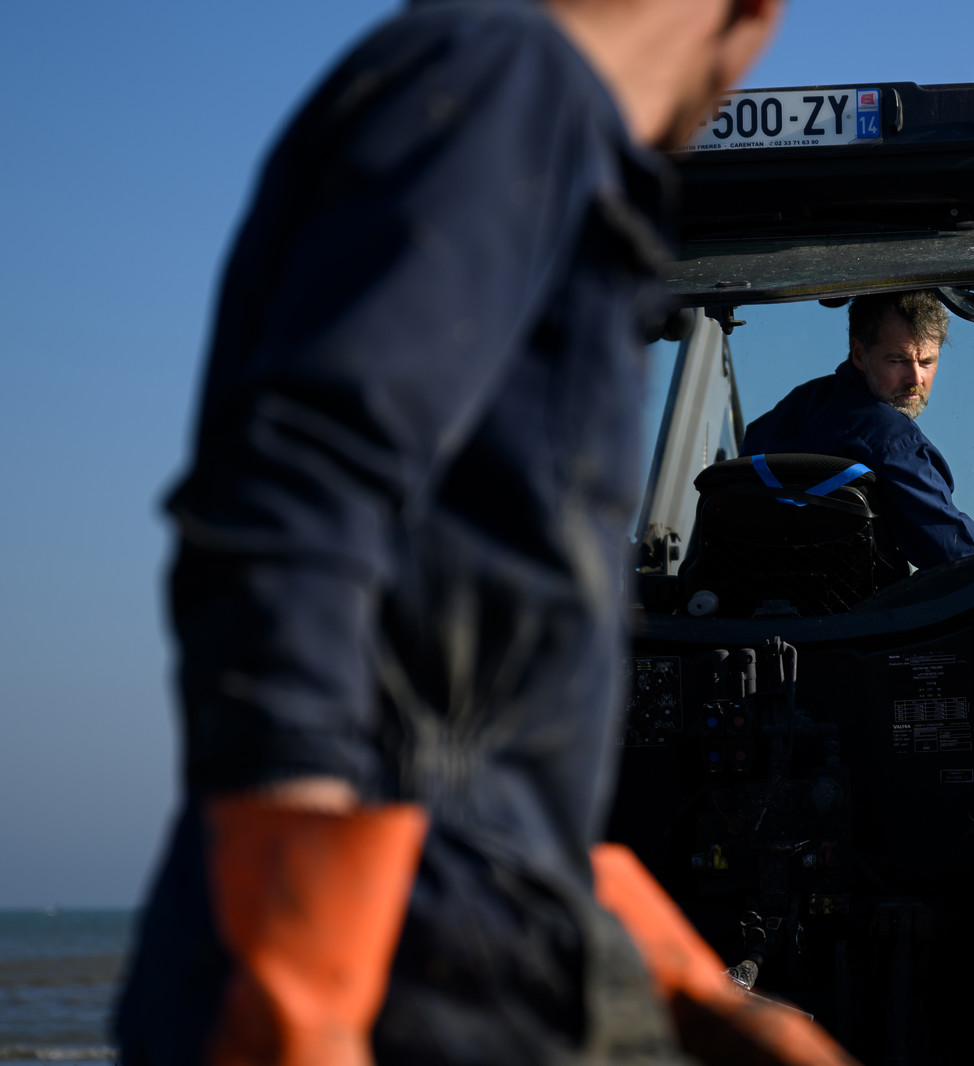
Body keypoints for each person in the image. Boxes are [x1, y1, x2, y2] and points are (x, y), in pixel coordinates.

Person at [113, 2, 800, 1065]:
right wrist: (296, 954)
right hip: (403, 951)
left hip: (469, 924)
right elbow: (302, 484)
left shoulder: (503, 110)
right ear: (751, 14)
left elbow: (470, 667)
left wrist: (652, 957)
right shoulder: (507, 87)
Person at [740, 290, 974, 569]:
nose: (916, 378)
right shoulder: (893, 442)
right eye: (897, 360)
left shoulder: (792, 408)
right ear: (859, 354)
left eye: (927, 361)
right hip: (864, 609)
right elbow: (956, 558)